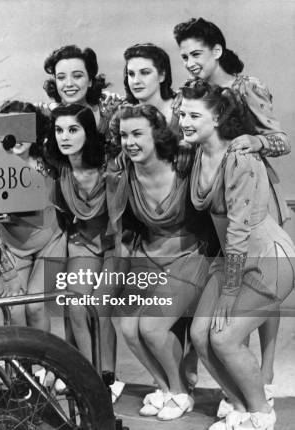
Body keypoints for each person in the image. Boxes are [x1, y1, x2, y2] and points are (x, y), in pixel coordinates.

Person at [174, 17, 290, 416]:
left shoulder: (246, 87)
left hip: (253, 201)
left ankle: (263, 382)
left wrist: (252, 141)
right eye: (184, 55)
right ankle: (243, 392)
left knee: (241, 312)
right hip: (223, 212)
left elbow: (282, 140)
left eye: (196, 54)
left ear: (217, 51)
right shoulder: (194, 103)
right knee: (209, 329)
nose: (189, 62)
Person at [107, 104, 212, 420]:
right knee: (128, 327)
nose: (130, 142)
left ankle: (180, 391)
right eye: (124, 135)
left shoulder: (184, 165)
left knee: (152, 328)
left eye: (138, 134)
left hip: (189, 258)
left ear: (157, 135)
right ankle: (165, 387)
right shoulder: (123, 171)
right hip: (145, 257)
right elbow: (120, 232)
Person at [45, 103, 124, 402]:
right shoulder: (59, 169)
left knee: (100, 307)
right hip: (83, 243)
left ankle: (109, 377)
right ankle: (88, 375)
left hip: (117, 245)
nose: (65, 136)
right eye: (59, 130)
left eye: (73, 129)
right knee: (76, 304)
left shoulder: (109, 165)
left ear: (88, 132)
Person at [0, 100, 66, 331]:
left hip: (51, 242)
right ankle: (21, 367)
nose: (17, 136)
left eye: (24, 127)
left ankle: (42, 365)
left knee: (35, 307)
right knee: (15, 309)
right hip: (11, 246)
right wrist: (7, 271)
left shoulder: (50, 165)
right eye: (10, 128)